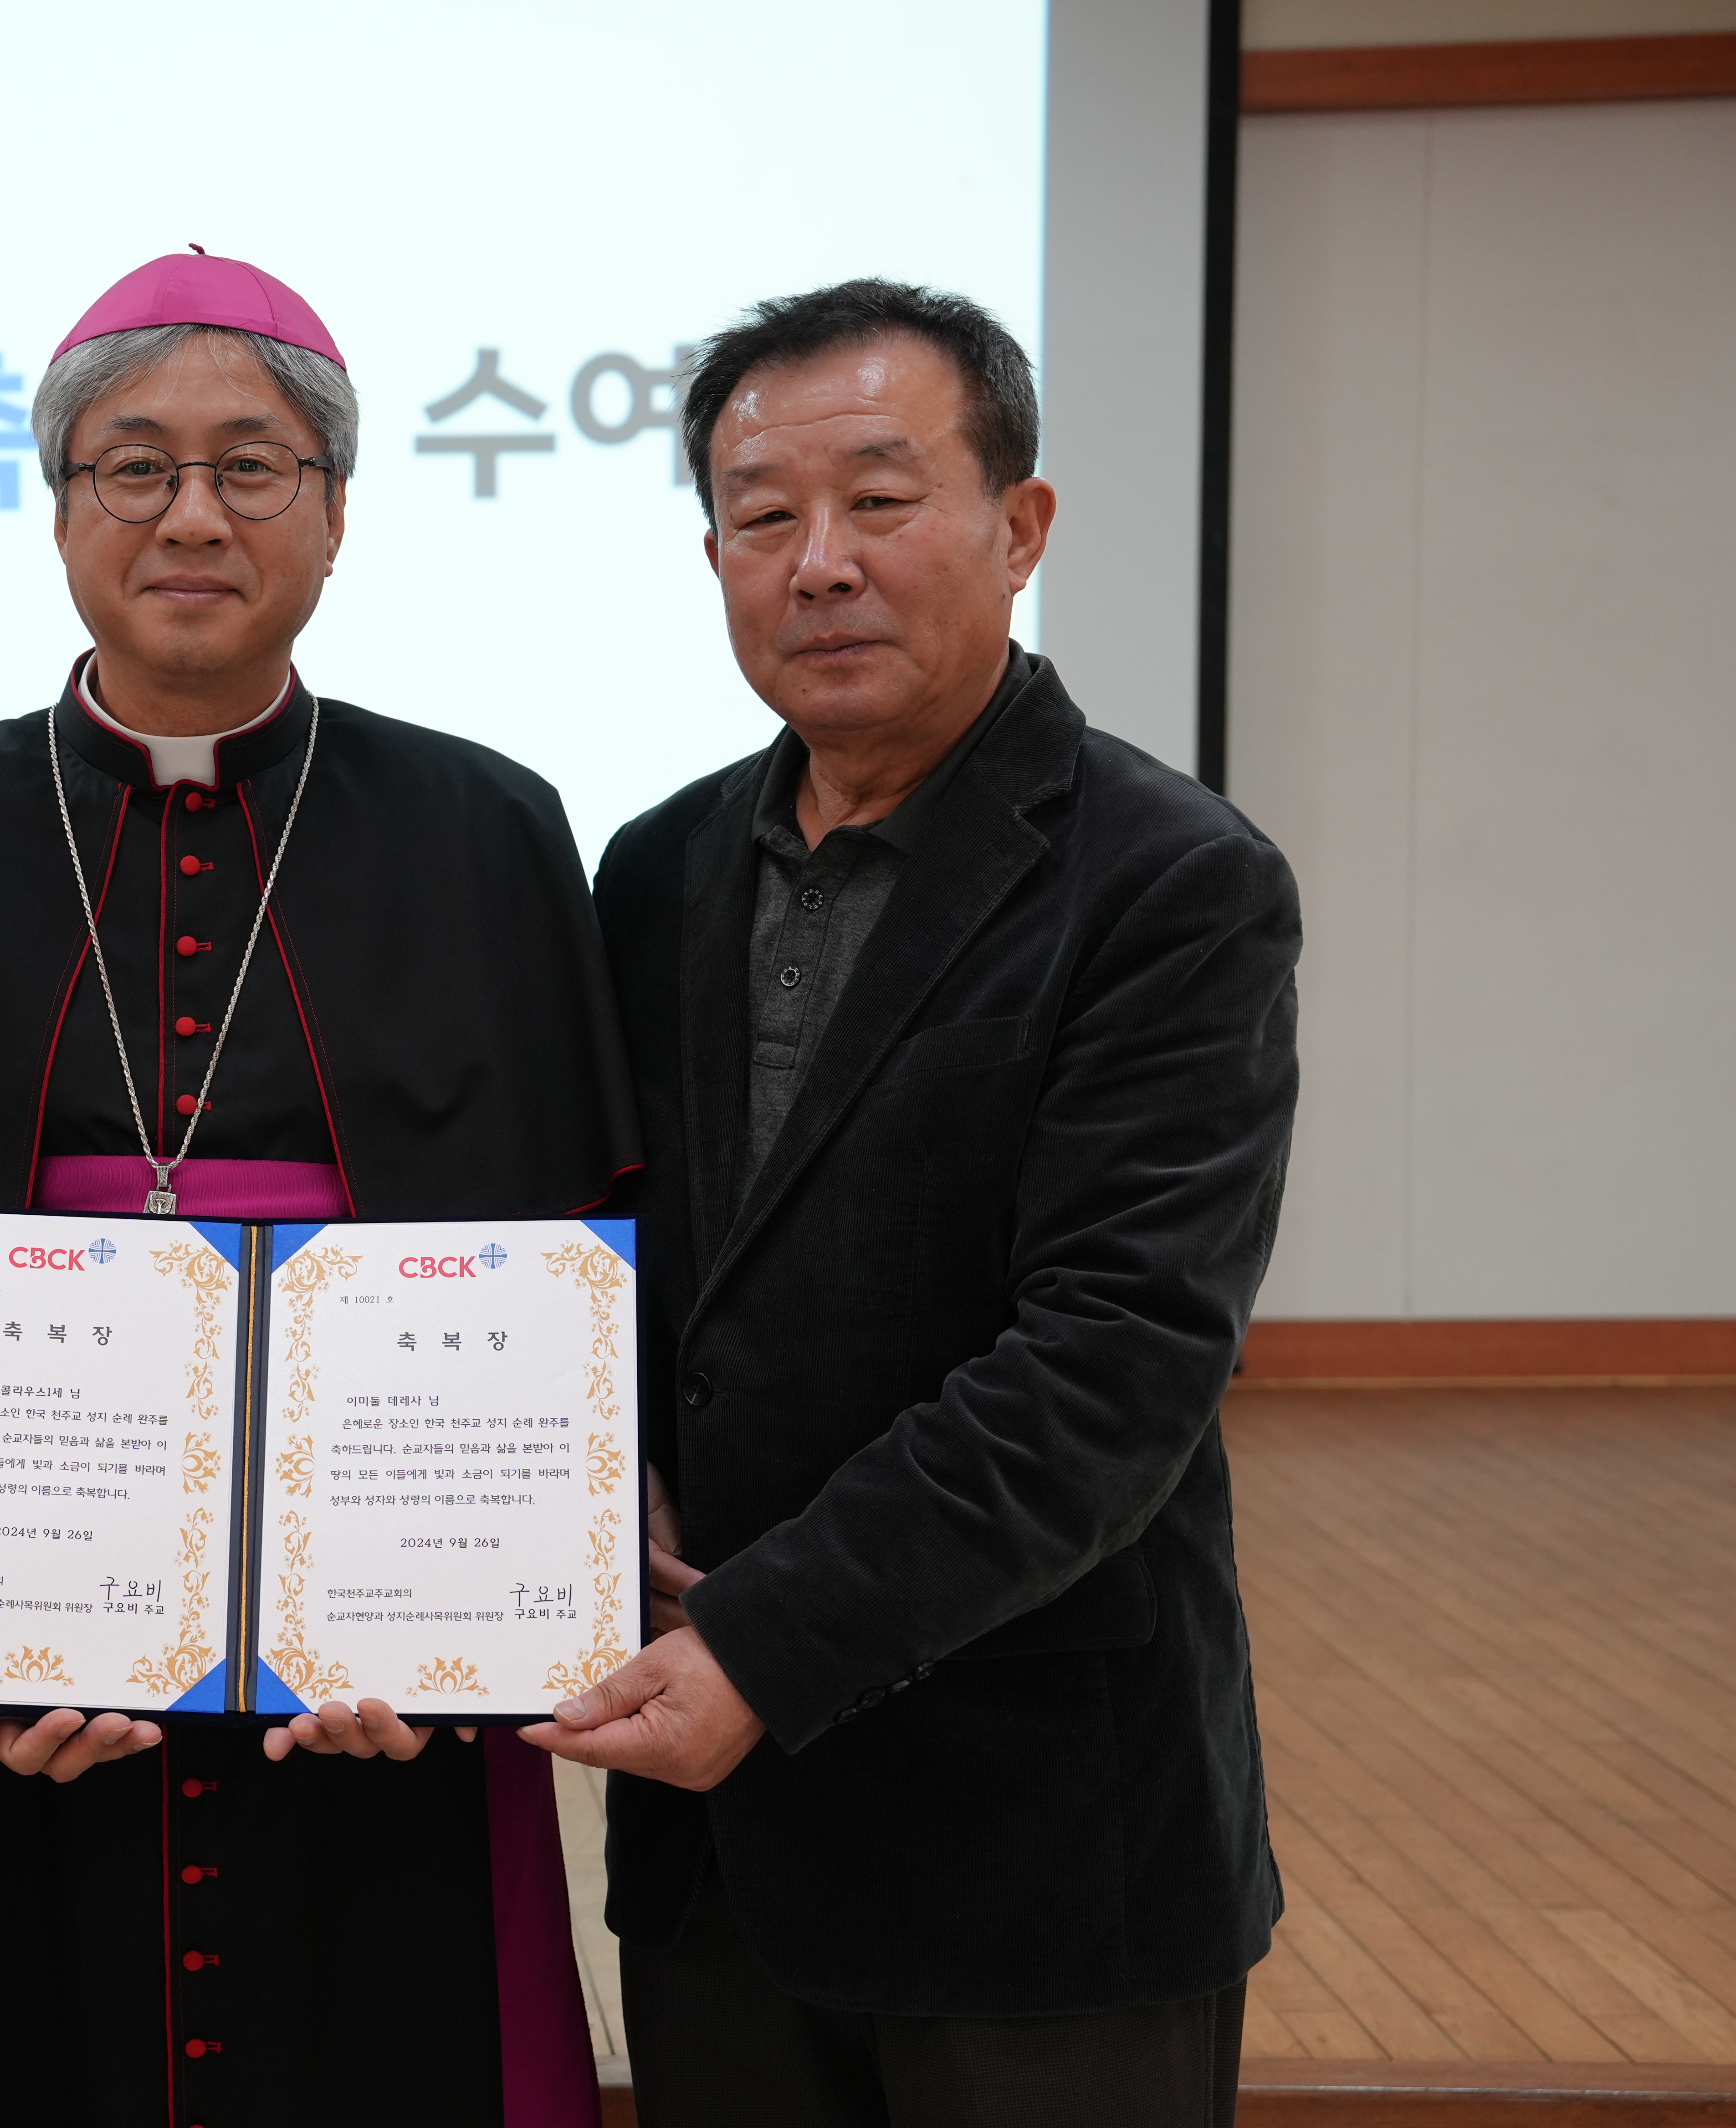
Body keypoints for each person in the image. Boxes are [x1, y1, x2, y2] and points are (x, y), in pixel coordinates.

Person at [0, 251, 641, 2127]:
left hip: (384, 1685)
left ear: (335, 513)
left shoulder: (489, 831)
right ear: (59, 506)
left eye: (255, 466)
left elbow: (573, 1285)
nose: (192, 516)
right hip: (13, 1687)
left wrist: (454, 1646)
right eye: (132, 466)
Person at [535, 280, 1296, 2127]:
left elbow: (1111, 1368)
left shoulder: (1171, 884)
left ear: (1019, 529)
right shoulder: (656, 869)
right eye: (762, 513)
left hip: (1037, 1842)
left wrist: (761, 1644)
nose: (819, 565)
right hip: (721, 1857)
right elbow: (617, 1276)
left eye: (881, 500)